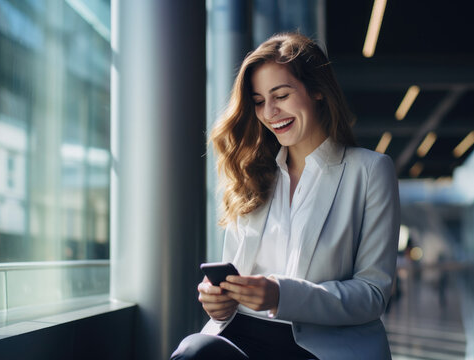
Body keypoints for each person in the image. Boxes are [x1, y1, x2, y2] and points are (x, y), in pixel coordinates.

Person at [171, 32, 400, 360]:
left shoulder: (370, 170)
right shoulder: (251, 173)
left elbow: (373, 294)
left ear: (318, 90)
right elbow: (233, 280)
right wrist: (218, 301)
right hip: (242, 334)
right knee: (193, 351)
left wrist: (281, 295)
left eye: (281, 95)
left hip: (320, 345)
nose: (270, 112)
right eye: (259, 101)